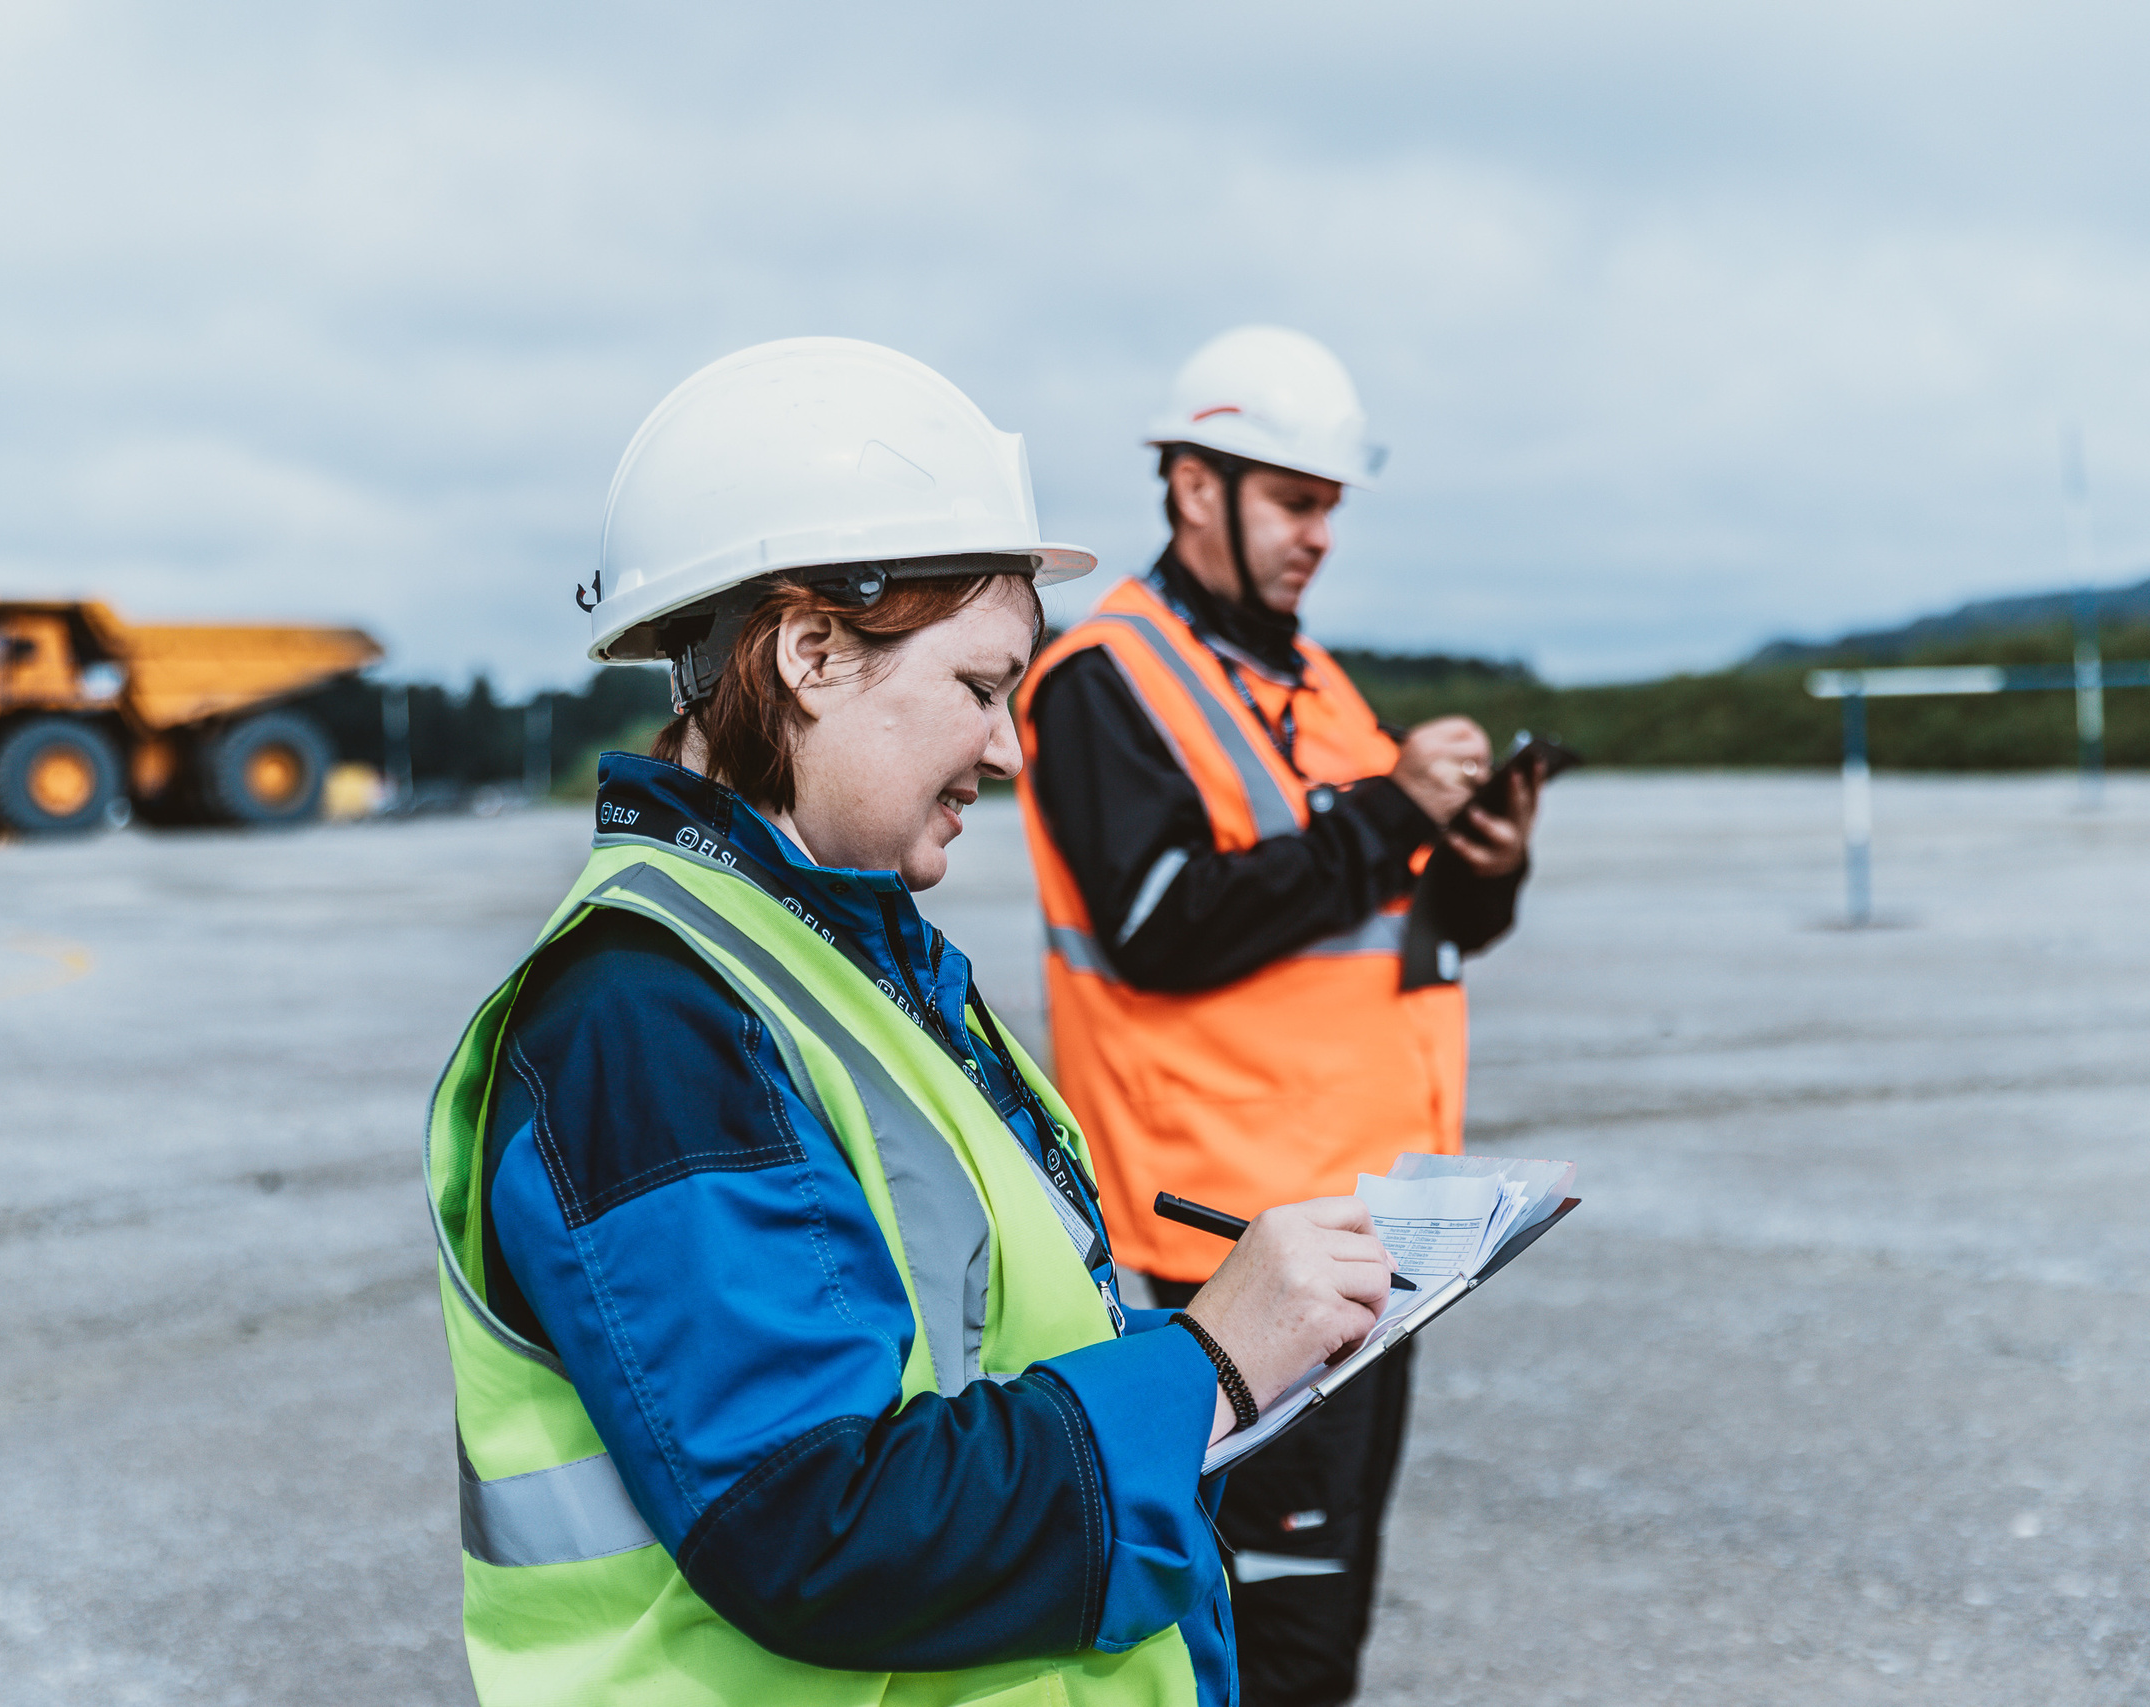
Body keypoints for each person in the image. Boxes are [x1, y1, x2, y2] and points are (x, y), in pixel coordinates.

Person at [424, 337, 1405, 1706]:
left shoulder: (840, 959)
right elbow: (821, 1527)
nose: (1011, 750)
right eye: (980, 688)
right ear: (813, 652)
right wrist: (1210, 1364)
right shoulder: (646, 1024)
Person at [1016, 326, 1542, 1707]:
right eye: (1296, 501)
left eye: (1329, 508)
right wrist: (1393, 810)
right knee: (1268, 1641)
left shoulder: (1311, 682)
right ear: (1196, 487)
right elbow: (1168, 930)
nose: (1320, 536)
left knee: (1321, 1619)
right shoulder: (1101, 682)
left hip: (1371, 1231)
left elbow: (1397, 923)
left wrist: (1484, 866)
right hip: (1232, 1249)